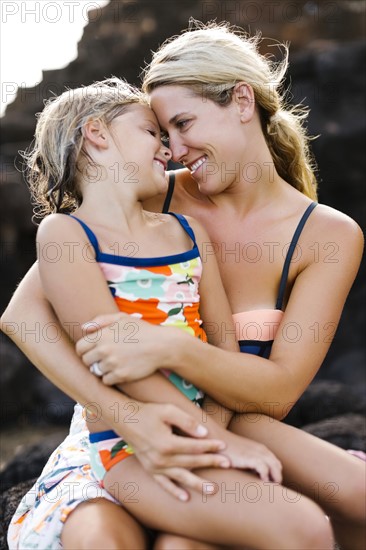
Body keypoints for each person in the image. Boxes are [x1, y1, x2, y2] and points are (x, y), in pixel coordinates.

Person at [2, 21, 364, 550]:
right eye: (160, 133)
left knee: (356, 494)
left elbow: (279, 395)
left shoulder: (327, 235)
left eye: (184, 124)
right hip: (133, 430)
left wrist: (171, 349)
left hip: (239, 423)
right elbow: (24, 316)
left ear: (242, 100)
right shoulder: (154, 196)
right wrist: (130, 419)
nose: (173, 149)